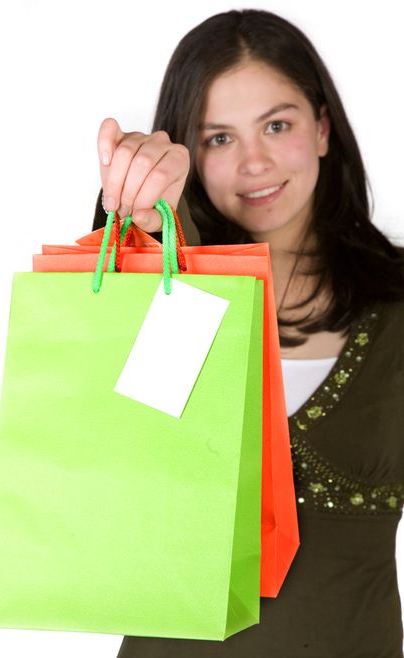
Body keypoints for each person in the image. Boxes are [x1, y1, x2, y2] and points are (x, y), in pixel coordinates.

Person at [92, 9, 404, 657]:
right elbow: (115, 441)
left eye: (277, 125)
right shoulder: (165, 292)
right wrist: (152, 235)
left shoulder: (397, 308)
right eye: (220, 139)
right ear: (187, 155)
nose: (255, 163)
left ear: (322, 129)